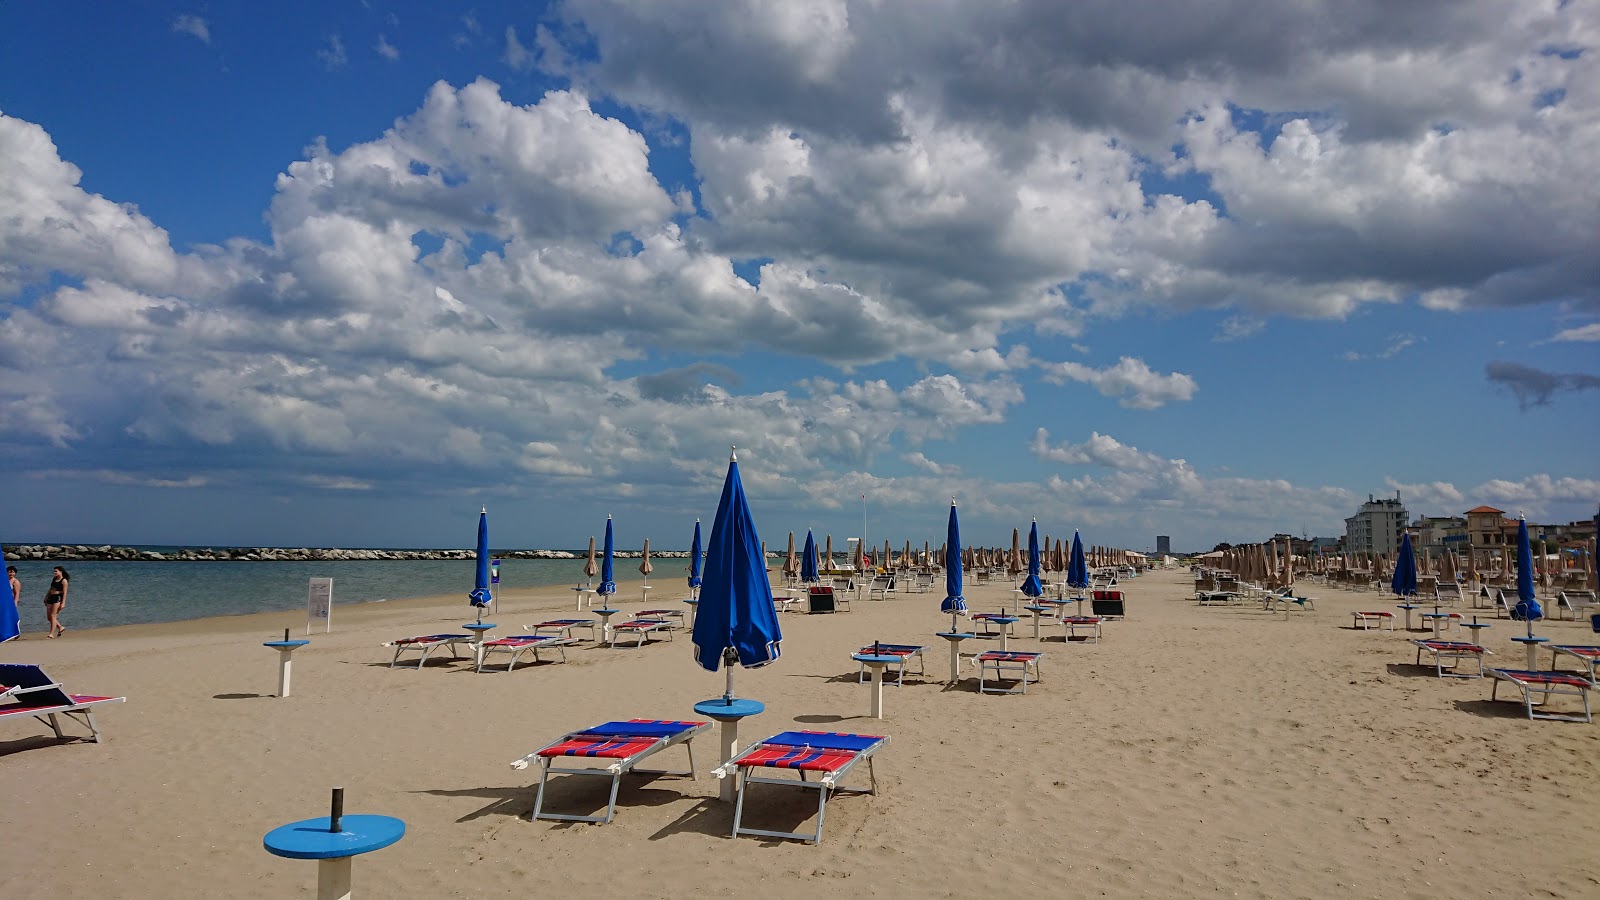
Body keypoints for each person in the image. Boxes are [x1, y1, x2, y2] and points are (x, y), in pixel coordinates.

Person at [44, 566, 69, 638]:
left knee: (53, 616)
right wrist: (46, 597)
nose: (54, 572)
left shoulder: (64, 581)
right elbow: (51, 588)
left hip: (58, 599)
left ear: (61, 572)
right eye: (54, 571)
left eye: (56, 571)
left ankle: (51, 634)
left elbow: (65, 592)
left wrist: (63, 603)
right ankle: (60, 627)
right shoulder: (54, 579)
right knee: (49, 617)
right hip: (50, 597)